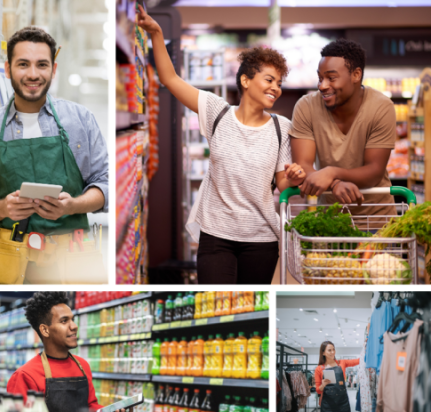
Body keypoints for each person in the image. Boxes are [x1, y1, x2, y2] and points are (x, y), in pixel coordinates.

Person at [137, 5, 305, 285]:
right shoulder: (218, 112)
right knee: (216, 301)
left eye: (279, 82)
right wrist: (156, 32)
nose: (276, 88)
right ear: (246, 80)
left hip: (261, 237)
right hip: (216, 235)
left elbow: (281, 183)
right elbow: (170, 79)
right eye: (269, 79)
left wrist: (294, 176)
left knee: (253, 306)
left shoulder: (281, 127)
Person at [0, 26, 110, 286]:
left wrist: (73, 206)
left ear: (53, 70)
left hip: (75, 260)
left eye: (42, 65)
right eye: (23, 64)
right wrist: (3, 207)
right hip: (11, 263)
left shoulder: (80, 120)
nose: (33, 74)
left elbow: (106, 184)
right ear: (9, 68)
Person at [290, 38, 396, 218]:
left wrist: (332, 172)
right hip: (331, 221)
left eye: (331, 78)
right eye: (320, 78)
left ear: (355, 75)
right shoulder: (306, 106)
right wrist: (335, 184)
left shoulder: (381, 106)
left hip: (378, 221)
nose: (322, 85)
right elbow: (303, 165)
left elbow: (374, 171)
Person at [6, 292, 131, 412]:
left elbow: (90, 405)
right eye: (64, 321)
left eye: (72, 319)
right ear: (45, 330)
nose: (74, 326)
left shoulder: (82, 366)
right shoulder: (25, 376)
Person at [314, 341, 360, 412]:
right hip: (327, 404)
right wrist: (322, 385)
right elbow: (318, 391)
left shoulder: (341, 363)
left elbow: (358, 361)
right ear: (323, 353)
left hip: (343, 403)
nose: (333, 352)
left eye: (333, 349)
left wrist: (367, 350)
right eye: (329, 350)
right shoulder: (319, 369)